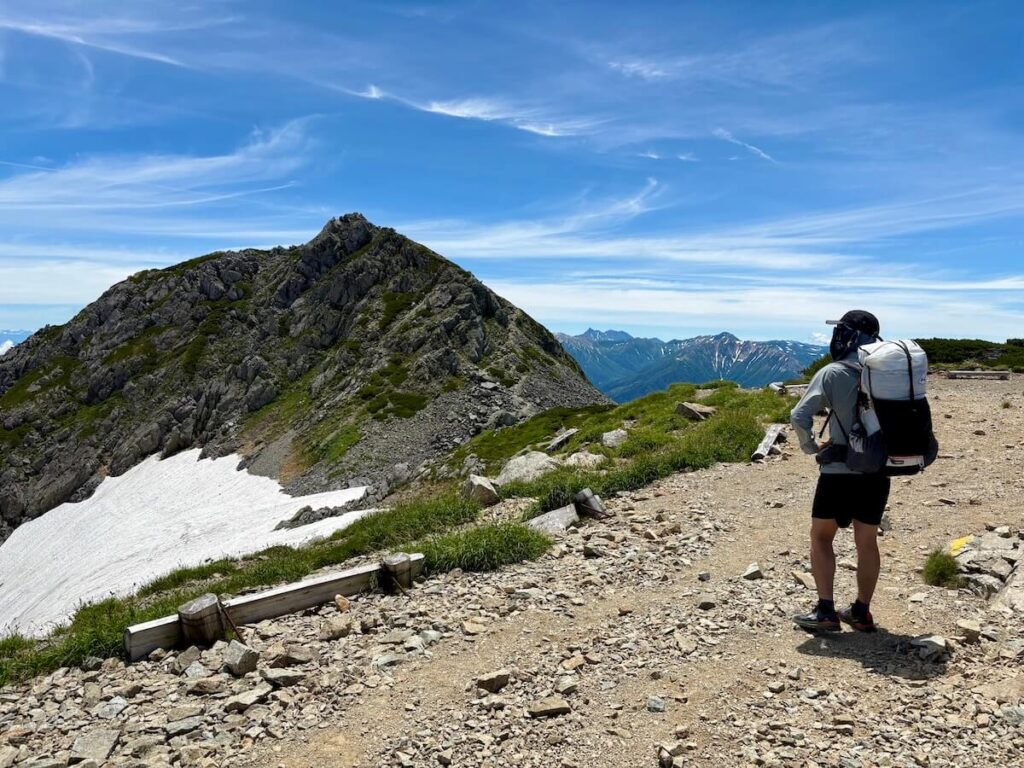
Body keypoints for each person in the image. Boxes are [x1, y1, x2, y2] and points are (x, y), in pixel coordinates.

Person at [790, 310, 888, 633]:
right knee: (867, 542)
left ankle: (826, 611)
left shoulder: (831, 373)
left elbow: (799, 414)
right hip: (876, 472)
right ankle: (861, 611)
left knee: (820, 537)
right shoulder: (887, 373)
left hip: (837, 473)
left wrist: (810, 447)